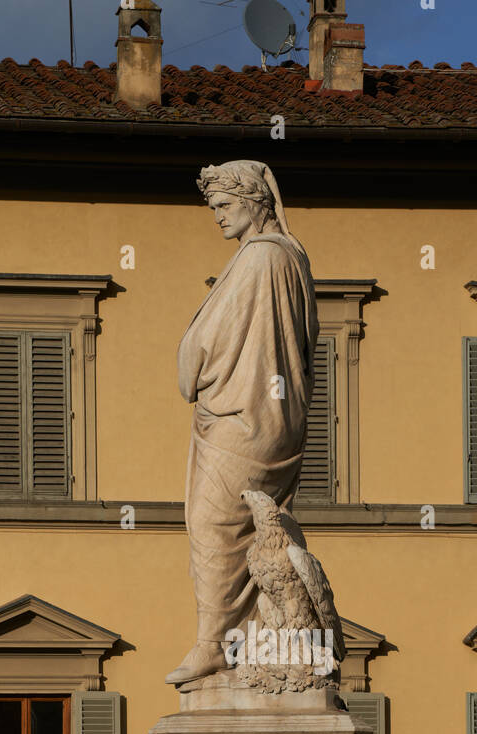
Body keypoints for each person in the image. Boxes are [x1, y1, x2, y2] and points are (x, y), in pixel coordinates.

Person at [166, 159, 320, 685]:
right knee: (260, 533)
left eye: (225, 206)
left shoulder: (260, 260)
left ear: (255, 203)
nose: (217, 217)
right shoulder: (292, 257)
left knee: (215, 524)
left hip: (245, 420)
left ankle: (215, 643)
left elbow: (211, 337)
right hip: (276, 417)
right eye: (213, 208)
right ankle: (259, 640)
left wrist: (191, 364)